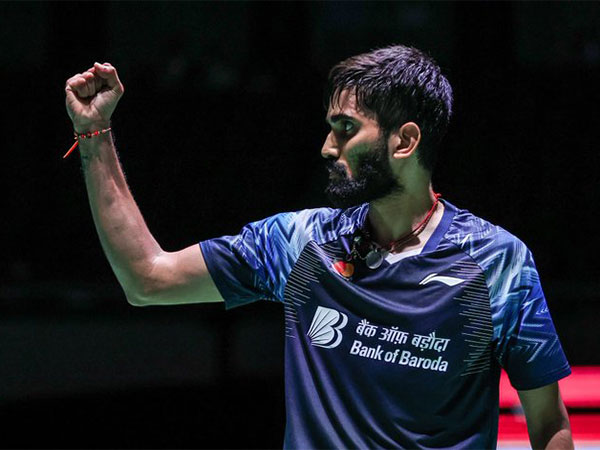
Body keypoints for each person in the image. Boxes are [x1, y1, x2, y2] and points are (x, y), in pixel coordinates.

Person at [65, 45, 573, 449]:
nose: (327, 148)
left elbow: (548, 420)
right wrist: (94, 132)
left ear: (404, 141)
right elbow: (148, 279)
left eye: (346, 129)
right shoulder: (302, 242)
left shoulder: (495, 261)